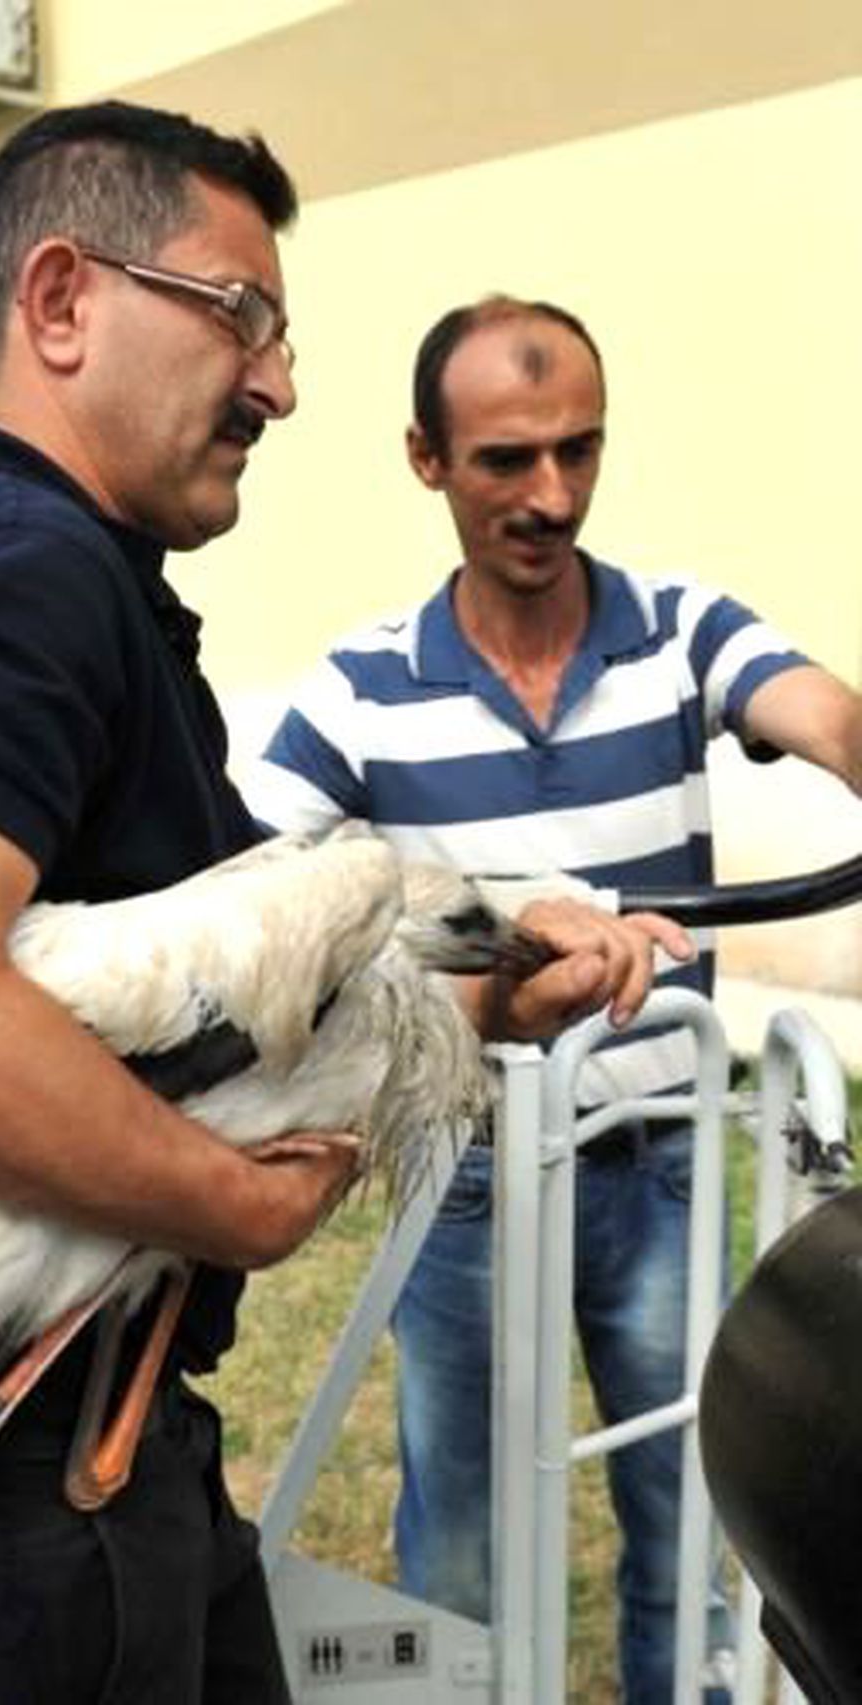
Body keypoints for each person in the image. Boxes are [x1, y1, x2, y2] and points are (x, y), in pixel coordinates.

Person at [0, 121, 678, 1705]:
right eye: (240, 316)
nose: (277, 383)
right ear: (63, 300)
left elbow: (197, 1022)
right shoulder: (20, 572)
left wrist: (481, 997)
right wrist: (226, 1202)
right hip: (3, 1507)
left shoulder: (74, 573)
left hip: (93, 1457)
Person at [248, 293, 862, 1704]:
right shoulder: (360, 691)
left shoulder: (678, 629)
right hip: (462, 1182)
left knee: (689, 1522)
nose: (553, 495)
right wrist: (460, 949)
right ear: (425, 458)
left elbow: (819, 713)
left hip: (660, 1172)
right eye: (506, 460)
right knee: (455, 1545)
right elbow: (244, 888)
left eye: (579, 451)